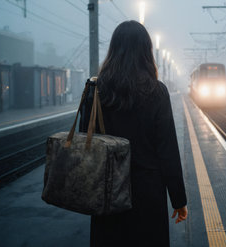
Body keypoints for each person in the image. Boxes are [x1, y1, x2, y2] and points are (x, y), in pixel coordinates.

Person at [79, 20, 187, 247]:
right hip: (147, 194)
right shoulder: (157, 92)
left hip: (106, 192)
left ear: (113, 50)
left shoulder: (94, 90)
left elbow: (84, 140)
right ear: (146, 52)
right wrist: (178, 200)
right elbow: (167, 151)